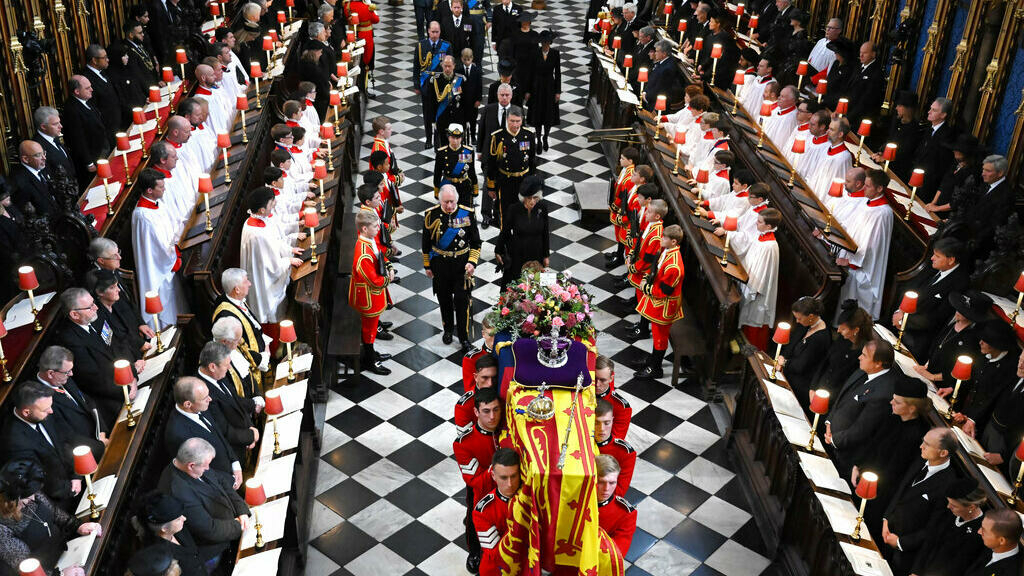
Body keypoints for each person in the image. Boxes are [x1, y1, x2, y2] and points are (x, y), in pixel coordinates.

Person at [875, 427, 958, 572]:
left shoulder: (948, 485)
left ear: (943, 453)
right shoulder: (921, 458)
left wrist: (901, 543)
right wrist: (886, 519)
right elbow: (901, 489)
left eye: (927, 444)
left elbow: (934, 528)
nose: (921, 446)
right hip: (885, 531)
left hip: (904, 553)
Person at [157, 438, 249, 570]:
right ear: (191, 465)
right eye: (206, 465)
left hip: (233, 522)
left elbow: (222, 482)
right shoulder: (178, 491)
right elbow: (209, 529)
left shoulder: (194, 462)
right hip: (217, 546)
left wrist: (242, 511)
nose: (208, 468)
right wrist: (239, 525)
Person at [56, 287, 140, 429]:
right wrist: (125, 389)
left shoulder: (96, 316)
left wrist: (132, 374)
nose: (96, 307)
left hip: (128, 378)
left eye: (93, 303)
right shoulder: (69, 340)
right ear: (74, 314)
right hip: (109, 395)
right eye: (90, 307)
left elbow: (118, 345)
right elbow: (92, 378)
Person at [0, 459, 101, 576]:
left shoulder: (31, 492)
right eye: (28, 496)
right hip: (50, 570)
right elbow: (26, 568)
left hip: (67, 551)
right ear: (11, 499)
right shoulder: (2, 527)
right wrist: (60, 574)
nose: (34, 498)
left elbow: (55, 512)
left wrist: (78, 526)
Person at [0, 383, 82, 512]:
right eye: (45, 410)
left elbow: (63, 443)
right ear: (26, 412)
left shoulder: (42, 412)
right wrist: (70, 489)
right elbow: (41, 479)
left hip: (71, 478)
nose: (51, 411)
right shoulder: (15, 442)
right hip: (57, 500)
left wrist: (76, 475)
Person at [823, 338, 897, 475]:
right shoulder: (864, 369)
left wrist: (834, 439)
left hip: (844, 453)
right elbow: (842, 397)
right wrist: (829, 422)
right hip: (831, 435)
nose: (859, 357)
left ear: (878, 363)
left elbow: (862, 429)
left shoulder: (884, 393)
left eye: (864, 355)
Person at [423, 185, 482, 348]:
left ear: (456, 199)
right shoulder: (431, 215)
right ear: (440, 200)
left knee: (462, 301)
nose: (449, 206)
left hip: (461, 265)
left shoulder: (467, 213)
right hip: (440, 265)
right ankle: (448, 329)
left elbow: (476, 242)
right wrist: (427, 265)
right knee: (444, 299)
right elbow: (426, 242)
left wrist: (472, 262)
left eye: (451, 201)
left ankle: (464, 337)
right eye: (445, 202)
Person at [890, 238, 969, 359]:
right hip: (899, 320)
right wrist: (900, 312)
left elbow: (937, 317)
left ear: (951, 260)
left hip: (918, 337)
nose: (932, 258)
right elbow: (911, 287)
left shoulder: (960, 283)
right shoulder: (933, 266)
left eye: (937, 256)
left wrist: (904, 321)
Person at [240, 187, 304, 337]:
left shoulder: (260, 220)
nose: (274, 204)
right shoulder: (256, 234)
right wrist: (288, 260)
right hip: (263, 281)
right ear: (262, 210)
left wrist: (290, 250)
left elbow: (275, 242)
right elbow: (271, 266)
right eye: (271, 203)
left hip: (265, 271)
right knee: (271, 314)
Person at [453, 387, 502, 574]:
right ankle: (474, 553)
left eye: (496, 410)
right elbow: (475, 481)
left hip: (507, 491)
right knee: (474, 521)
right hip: (483, 494)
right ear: (476, 412)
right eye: (486, 411)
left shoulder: (507, 429)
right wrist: (498, 468)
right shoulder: (464, 443)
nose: (492, 417)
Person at [163, 377, 242, 489]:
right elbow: (198, 472)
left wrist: (235, 464)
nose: (210, 399)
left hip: (231, 471)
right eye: (205, 398)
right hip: (221, 487)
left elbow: (219, 436)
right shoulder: (177, 434)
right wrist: (230, 481)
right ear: (188, 404)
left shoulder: (200, 406)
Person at [131, 168, 185, 329]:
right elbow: (154, 248)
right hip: (158, 268)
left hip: (167, 258)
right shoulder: (143, 215)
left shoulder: (156, 203)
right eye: (161, 187)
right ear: (149, 190)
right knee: (165, 303)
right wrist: (173, 257)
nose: (164, 189)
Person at [835, 169, 893, 319]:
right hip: (850, 256)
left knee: (856, 309)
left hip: (863, 267)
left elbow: (873, 245)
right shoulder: (865, 203)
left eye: (868, 186)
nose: (863, 188)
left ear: (879, 189)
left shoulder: (882, 213)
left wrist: (851, 261)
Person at [195, 342, 259, 468]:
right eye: (227, 364)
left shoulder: (218, 373)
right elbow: (223, 430)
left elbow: (235, 400)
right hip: (232, 453)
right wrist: (250, 435)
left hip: (244, 438)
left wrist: (251, 428)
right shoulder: (202, 393)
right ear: (212, 367)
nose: (230, 367)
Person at [912, 290, 989, 393]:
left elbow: (962, 370)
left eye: (962, 311)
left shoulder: (972, 339)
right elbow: (938, 343)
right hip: (929, 370)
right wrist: (927, 366)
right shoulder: (953, 321)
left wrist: (933, 377)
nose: (957, 311)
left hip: (943, 386)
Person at [909, 478, 988, 576]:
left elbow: (957, 566)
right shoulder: (948, 512)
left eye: (954, 505)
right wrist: (916, 571)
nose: (948, 506)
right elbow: (929, 542)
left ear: (971, 507)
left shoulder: (980, 532)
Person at [635, 224, 684, 379]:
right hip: (660, 301)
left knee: (660, 337)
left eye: (664, 238)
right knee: (657, 335)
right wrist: (646, 279)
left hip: (665, 306)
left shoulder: (674, 266)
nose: (661, 239)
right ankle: (653, 359)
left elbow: (664, 292)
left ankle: (656, 368)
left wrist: (646, 287)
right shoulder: (666, 251)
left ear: (674, 242)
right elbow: (655, 268)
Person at [350, 210, 395, 376]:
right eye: (375, 226)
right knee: (369, 331)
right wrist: (388, 279)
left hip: (372, 294)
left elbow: (380, 256)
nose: (378, 228)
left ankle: (371, 353)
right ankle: (370, 360)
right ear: (364, 229)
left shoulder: (369, 240)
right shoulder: (363, 255)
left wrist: (389, 267)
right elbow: (374, 280)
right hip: (367, 297)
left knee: (372, 328)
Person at [954, 321, 1018, 437]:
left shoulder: (1008, 370)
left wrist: (972, 418)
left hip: (981, 423)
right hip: (965, 413)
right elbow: (971, 381)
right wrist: (952, 388)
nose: (980, 342)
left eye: (986, 341)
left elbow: (992, 398)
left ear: (997, 345)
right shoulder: (984, 355)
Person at [88, 238, 155, 344]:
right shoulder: (97, 281)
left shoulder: (112, 268)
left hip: (135, 329)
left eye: (118, 252)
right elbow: (114, 322)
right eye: (114, 256)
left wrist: (140, 323)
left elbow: (129, 300)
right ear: (101, 261)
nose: (120, 257)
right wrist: (138, 342)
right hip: (125, 340)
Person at [735, 208, 782, 351]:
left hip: (757, 294)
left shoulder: (769, 246)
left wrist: (750, 290)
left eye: (760, 222)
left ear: (769, 226)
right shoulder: (761, 237)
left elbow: (762, 274)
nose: (756, 223)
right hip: (747, 283)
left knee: (753, 324)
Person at [130, 492, 205, 575]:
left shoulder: (175, 528)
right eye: (178, 519)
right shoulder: (160, 557)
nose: (184, 518)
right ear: (164, 529)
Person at [213, 268, 270, 376]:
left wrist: (265, 343)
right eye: (245, 281)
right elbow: (237, 347)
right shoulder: (226, 316)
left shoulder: (235, 299)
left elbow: (254, 326)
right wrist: (263, 357)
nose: (250, 284)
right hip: (252, 367)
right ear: (237, 289)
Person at [494, 175, 549, 287]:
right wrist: (498, 250)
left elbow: (545, 232)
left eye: (535, 198)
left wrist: (546, 255)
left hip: (536, 253)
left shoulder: (542, 207)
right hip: (518, 254)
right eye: (529, 198)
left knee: (535, 287)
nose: (532, 201)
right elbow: (505, 231)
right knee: (516, 287)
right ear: (523, 197)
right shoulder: (513, 209)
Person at [813, 301, 874, 401]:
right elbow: (825, 362)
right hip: (820, 387)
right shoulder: (842, 339)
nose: (838, 331)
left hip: (835, 397)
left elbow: (849, 383)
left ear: (856, 330)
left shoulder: (863, 353)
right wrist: (813, 387)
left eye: (843, 328)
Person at [778, 297, 831, 410]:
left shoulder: (821, 338)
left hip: (801, 382)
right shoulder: (805, 324)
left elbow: (802, 366)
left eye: (799, 318)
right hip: (790, 369)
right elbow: (792, 343)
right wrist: (782, 356)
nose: (797, 321)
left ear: (811, 316)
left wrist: (784, 363)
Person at [473, 448, 520, 576]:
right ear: (493, 476)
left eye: (514, 476)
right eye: (504, 478)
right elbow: (495, 554)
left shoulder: (530, 499)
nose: (510, 484)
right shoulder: (482, 511)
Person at [87, 269, 149, 363]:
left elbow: (129, 328)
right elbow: (113, 345)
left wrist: (140, 343)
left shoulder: (117, 301)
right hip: (125, 361)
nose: (118, 290)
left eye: (117, 285)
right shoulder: (97, 317)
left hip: (138, 350)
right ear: (100, 292)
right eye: (112, 287)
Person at [63, 75, 111, 189]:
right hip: (93, 157)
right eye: (87, 88)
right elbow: (78, 139)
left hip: (101, 150)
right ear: (77, 91)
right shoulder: (72, 110)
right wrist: (88, 162)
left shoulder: (86, 100)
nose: (92, 89)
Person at [413, 22, 453, 147]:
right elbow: (416, 67)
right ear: (428, 31)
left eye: (437, 32)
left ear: (440, 32)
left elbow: (450, 66)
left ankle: (437, 139)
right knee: (427, 114)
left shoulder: (446, 46)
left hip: (441, 86)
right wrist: (416, 85)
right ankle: (428, 139)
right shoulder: (421, 46)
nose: (435, 34)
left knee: (439, 113)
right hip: (427, 85)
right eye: (433, 32)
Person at [872, 90, 921, 182]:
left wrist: (886, 158)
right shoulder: (896, 121)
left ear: (908, 109)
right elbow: (889, 140)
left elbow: (904, 152)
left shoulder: (915, 130)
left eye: (900, 106)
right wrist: (881, 152)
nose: (896, 108)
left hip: (897, 171)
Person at [605, 147, 642, 269]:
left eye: (622, 158)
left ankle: (620, 256)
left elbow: (624, 195)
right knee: (618, 234)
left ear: (630, 161)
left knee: (622, 235)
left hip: (623, 211)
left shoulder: (631, 176)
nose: (620, 160)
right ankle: (618, 252)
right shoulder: (625, 170)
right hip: (619, 208)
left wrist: (616, 207)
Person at [596, 454, 636, 558]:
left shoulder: (626, 513)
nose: (606, 489)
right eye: (601, 482)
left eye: (612, 483)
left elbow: (617, 554)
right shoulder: (576, 499)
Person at [82, 44, 127, 134]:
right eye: (104, 58)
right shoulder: (86, 80)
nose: (108, 60)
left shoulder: (103, 71)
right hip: (109, 129)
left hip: (120, 123)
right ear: (94, 60)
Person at [595, 399, 635, 497]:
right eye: (596, 423)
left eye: (607, 423)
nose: (602, 429)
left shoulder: (625, 452)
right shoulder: (580, 442)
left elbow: (619, 492)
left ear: (613, 420)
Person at [528, 30, 561, 152]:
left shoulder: (555, 54)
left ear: (550, 43)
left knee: (548, 114)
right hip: (536, 86)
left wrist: (558, 91)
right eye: (543, 43)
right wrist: (528, 91)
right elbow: (530, 72)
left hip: (549, 86)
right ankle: (538, 139)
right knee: (537, 114)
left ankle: (546, 137)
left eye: (547, 42)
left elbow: (558, 73)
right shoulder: (534, 53)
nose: (545, 45)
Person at [9, 141, 58, 219]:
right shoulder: (20, 182)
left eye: (44, 153)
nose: (44, 158)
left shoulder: (42, 168)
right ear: (25, 159)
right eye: (38, 155)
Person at [433, 124, 479, 205]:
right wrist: (437, 190)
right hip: (448, 186)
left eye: (458, 138)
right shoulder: (442, 153)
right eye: (453, 138)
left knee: (462, 215)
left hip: (464, 187)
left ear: (462, 138)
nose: (455, 141)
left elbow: (471, 171)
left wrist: (475, 189)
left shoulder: (468, 151)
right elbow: (437, 173)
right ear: (448, 137)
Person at [966, 510, 1022, 576]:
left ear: (1001, 541)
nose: (979, 531)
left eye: (984, 530)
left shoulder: (1012, 571)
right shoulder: (990, 545)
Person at [428, 56, 466, 148]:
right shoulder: (435, 80)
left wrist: (466, 119)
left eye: (449, 66)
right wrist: (433, 120)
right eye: (445, 66)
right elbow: (431, 102)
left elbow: (465, 101)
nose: (447, 69)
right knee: (443, 147)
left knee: (458, 145)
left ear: (454, 66)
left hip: (457, 116)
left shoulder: (461, 79)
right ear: (442, 66)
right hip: (442, 116)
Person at [31, 107, 76, 184]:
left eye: (59, 122)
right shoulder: (37, 147)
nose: (61, 126)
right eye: (55, 124)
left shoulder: (53, 136)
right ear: (43, 127)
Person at [845, 42, 884, 127]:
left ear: (873, 54)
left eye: (865, 53)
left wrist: (849, 118)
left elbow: (866, 100)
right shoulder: (858, 67)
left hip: (860, 119)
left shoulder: (876, 73)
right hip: (848, 113)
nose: (861, 55)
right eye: (860, 52)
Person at [455, 355, 498, 427]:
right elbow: (468, 437)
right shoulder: (465, 406)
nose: (490, 383)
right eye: (485, 378)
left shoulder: (504, 394)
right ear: (475, 377)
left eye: (494, 378)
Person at [595, 355, 631, 440]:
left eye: (603, 380)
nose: (597, 384)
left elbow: (615, 440)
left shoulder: (621, 407)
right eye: (594, 379)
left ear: (611, 378)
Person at [643, 40, 684, 111]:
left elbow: (659, 88)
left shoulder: (668, 69)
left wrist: (646, 96)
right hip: (649, 95)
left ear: (664, 54)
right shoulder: (663, 62)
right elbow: (652, 79)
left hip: (655, 103)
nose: (655, 53)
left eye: (657, 51)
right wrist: (645, 91)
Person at [456, 49, 483, 146]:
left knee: (473, 120)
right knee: (462, 120)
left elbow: (479, 86)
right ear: (461, 59)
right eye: (465, 59)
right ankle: (462, 137)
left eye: (468, 59)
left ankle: (473, 136)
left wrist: (479, 99)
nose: (467, 62)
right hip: (462, 100)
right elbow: (456, 85)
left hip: (473, 100)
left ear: (472, 59)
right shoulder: (458, 70)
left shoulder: (477, 71)